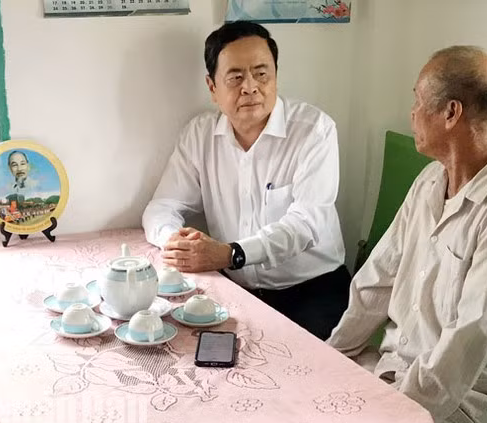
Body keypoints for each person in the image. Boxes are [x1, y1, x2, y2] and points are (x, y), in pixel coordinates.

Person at [327, 46, 487, 423]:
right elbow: (377, 280)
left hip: (468, 408)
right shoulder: (432, 181)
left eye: (418, 100)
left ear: (451, 113)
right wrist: (331, 356)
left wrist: (394, 416)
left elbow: (466, 345)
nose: (412, 112)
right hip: (397, 373)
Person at [142, 21, 348, 340]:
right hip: (234, 290)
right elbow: (161, 208)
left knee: (293, 377)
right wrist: (178, 243)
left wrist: (230, 254)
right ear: (212, 87)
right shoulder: (200, 135)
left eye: (261, 73)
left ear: (276, 76)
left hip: (312, 292)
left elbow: (306, 224)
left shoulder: (314, 130)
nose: (250, 87)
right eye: (236, 77)